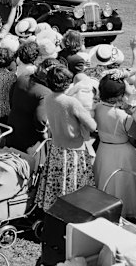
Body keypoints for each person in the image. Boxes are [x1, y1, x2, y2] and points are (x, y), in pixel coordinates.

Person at [36, 65, 97, 211]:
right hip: (73, 151)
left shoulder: (49, 98)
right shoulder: (71, 102)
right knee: (73, 186)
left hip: (56, 148)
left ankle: (53, 209)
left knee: (56, 183)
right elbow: (92, 126)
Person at [93, 74, 136, 220]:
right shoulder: (123, 116)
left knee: (105, 181)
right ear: (120, 95)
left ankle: (104, 210)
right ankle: (125, 213)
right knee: (124, 185)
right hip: (123, 153)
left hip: (103, 150)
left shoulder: (96, 108)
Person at [8, 58, 60, 153]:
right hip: (30, 138)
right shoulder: (45, 92)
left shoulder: (22, 78)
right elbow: (41, 120)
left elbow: (11, 96)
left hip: (12, 127)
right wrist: (43, 133)